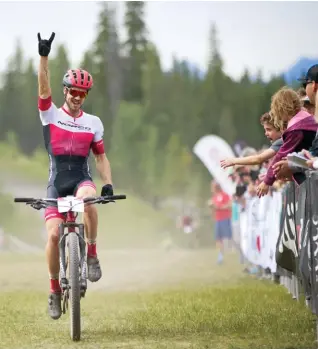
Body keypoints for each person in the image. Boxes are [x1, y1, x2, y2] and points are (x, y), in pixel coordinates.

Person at [37, 33, 114, 320]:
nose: (78, 97)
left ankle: (91, 253)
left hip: (81, 178)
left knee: (89, 199)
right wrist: (43, 57)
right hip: (56, 184)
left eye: (83, 93)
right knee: (54, 234)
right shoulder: (51, 115)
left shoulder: (93, 123)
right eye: (73, 92)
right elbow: (43, 90)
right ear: (66, 90)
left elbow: (100, 157)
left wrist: (107, 184)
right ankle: (54, 289)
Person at [257, 87, 318, 197]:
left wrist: (267, 181)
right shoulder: (304, 117)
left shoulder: (296, 127)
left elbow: (281, 154)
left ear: (282, 107)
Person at [208, 181, 232, 264]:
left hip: (225, 219)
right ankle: (220, 255)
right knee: (218, 238)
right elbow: (213, 209)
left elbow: (229, 205)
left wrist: (218, 207)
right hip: (218, 219)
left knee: (227, 237)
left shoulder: (224, 195)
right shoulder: (214, 197)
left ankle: (232, 251)